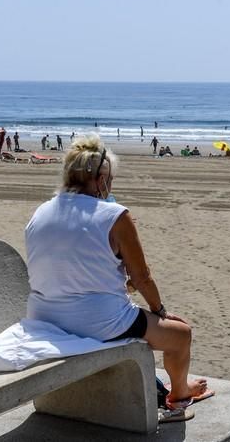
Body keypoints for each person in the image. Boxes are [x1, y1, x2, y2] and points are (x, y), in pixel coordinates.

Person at [24, 134, 210, 408]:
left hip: (44, 316)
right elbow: (142, 277)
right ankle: (180, 393)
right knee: (181, 334)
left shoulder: (40, 212)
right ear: (101, 180)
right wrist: (160, 311)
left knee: (136, 315)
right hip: (98, 322)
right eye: (110, 181)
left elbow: (69, 270)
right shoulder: (114, 215)